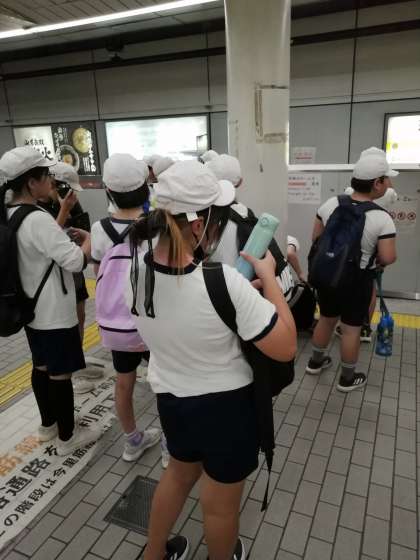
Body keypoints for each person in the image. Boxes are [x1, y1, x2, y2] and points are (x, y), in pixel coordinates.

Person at [126, 160, 296, 560]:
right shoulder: (223, 281)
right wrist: (269, 279)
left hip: (172, 401)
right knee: (219, 506)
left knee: (177, 475)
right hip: (227, 411)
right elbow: (286, 346)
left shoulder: (137, 271)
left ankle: (154, 554)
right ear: (200, 225)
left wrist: (241, 296)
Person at [0, 147, 101, 455]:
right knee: (60, 374)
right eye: (46, 176)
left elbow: (37, 249)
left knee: (41, 367)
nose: (51, 181)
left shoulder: (10, 213)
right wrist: (91, 240)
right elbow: (75, 261)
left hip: (30, 309)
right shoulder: (37, 218)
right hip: (54, 311)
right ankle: (68, 437)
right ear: (32, 183)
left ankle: (48, 426)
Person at [305, 147, 397, 392]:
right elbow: (388, 257)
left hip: (328, 276)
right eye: (386, 179)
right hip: (357, 281)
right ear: (377, 183)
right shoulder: (382, 218)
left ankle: (315, 362)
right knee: (351, 329)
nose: (388, 183)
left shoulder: (331, 203)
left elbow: (316, 239)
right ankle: (347, 378)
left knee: (326, 319)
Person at [91, 153, 161, 464]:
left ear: (108, 191)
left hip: (117, 325)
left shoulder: (100, 229)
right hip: (152, 320)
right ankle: (171, 447)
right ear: (146, 186)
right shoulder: (158, 225)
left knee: (123, 382)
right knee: (164, 384)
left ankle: (132, 441)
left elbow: (99, 273)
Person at [335, 183, 398, 342]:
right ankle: (364, 327)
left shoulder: (350, 192)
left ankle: (345, 324)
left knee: (346, 288)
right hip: (376, 249)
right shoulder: (388, 193)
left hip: (349, 251)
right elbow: (393, 193)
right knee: (371, 289)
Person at [37, 162, 90, 341]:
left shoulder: (70, 201)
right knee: (65, 321)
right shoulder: (38, 208)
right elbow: (49, 240)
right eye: (68, 189)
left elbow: (84, 226)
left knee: (80, 314)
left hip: (74, 265)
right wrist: (64, 210)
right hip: (54, 273)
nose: (72, 195)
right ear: (54, 184)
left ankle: (78, 351)